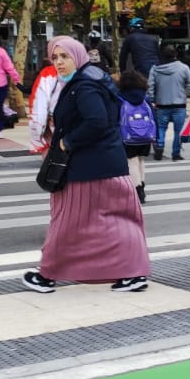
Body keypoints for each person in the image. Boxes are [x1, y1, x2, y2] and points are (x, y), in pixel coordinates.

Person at [21, 37, 152, 294]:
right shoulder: (95, 80)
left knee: (67, 222)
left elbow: (96, 121)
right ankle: (134, 274)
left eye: (64, 57)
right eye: (55, 57)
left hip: (87, 167)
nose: (58, 62)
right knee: (119, 221)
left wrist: (67, 142)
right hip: (108, 164)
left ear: (77, 57)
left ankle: (48, 275)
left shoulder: (83, 87)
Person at [149, 43, 190, 161]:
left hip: (161, 104)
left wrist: (151, 99)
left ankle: (159, 146)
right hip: (179, 104)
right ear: (175, 55)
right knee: (178, 131)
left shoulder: (155, 68)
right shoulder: (183, 68)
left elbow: (150, 85)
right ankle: (176, 153)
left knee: (161, 127)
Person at [117, 69, 153, 203]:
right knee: (141, 160)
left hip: (128, 135)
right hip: (145, 134)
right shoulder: (145, 98)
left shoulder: (120, 98)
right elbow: (152, 116)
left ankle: (138, 191)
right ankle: (142, 184)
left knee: (132, 161)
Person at [27, 62, 60, 154]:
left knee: (48, 148)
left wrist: (37, 132)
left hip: (51, 119)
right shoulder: (89, 73)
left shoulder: (48, 74)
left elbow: (38, 104)